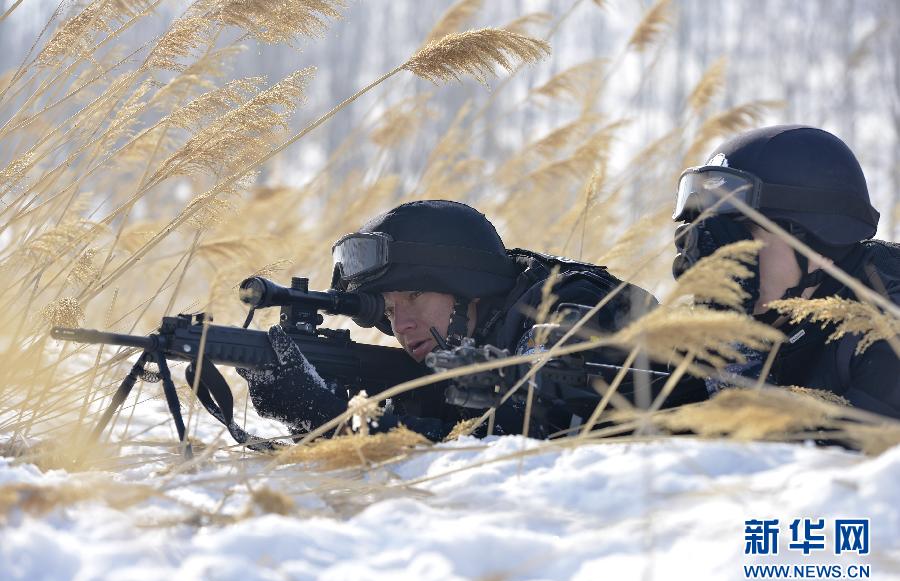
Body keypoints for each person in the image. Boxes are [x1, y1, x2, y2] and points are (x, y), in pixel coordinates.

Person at [240, 199, 690, 441]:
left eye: (414, 296)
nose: (403, 325)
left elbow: (533, 442)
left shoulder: (566, 308)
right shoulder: (467, 344)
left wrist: (335, 417)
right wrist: (314, 413)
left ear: (467, 286)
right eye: (391, 310)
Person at [671, 125, 899, 417]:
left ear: (818, 244)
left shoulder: (888, 322)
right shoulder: (776, 312)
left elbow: (806, 457)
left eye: (737, 235)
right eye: (709, 237)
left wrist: (731, 344)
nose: (717, 255)